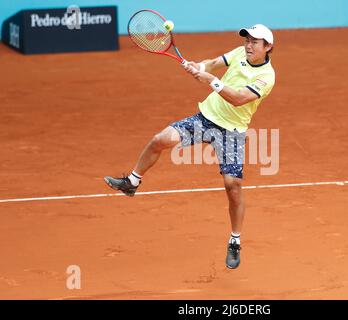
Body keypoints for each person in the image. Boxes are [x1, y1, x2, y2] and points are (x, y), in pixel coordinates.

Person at [104, 24, 276, 269]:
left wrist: (211, 80)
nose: (249, 45)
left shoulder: (267, 76)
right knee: (159, 140)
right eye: (247, 40)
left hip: (232, 132)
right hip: (205, 119)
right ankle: (132, 182)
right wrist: (200, 66)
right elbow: (214, 62)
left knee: (233, 186)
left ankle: (235, 240)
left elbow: (238, 99)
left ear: (268, 47)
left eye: (255, 42)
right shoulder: (240, 53)